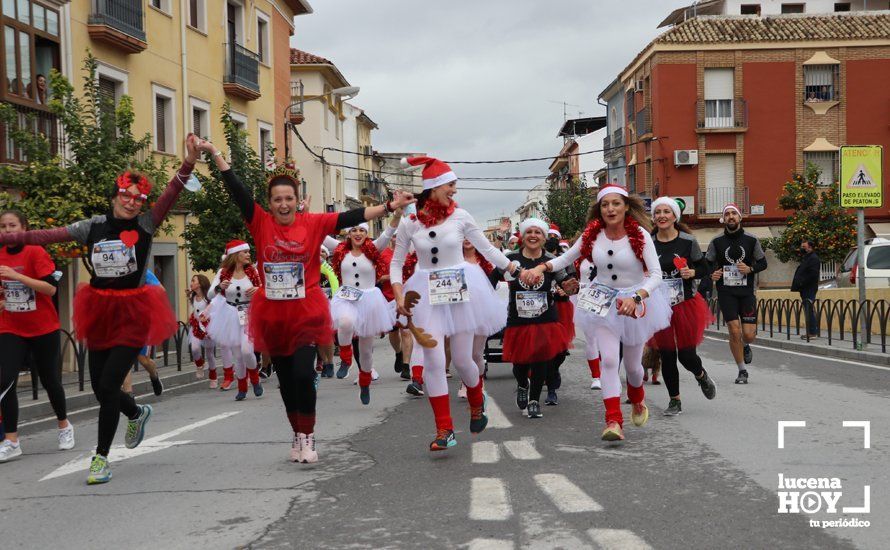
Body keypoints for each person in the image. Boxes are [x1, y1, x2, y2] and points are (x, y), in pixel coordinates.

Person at [198, 138, 414, 464]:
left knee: (302, 374)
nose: (283, 204)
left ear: (297, 200)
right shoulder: (260, 223)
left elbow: (350, 216)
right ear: (269, 204)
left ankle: (309, 435)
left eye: (289, 198)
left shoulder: (312, 223)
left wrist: (389, 207)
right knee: (286, 381)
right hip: (272, 313)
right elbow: (237, 191)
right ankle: (296, 433)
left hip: (305, 310)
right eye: (277, 199)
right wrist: (215, 155)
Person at [0, 135, 200, 483]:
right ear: (114, 197)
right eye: (126, 196)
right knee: (99, 388)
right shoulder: (92, 227)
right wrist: (9, 238)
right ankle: (136, 413)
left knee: (109, 385)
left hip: (133, 313)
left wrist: (188, 163)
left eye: (138, 199)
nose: (132, 202)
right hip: (98, 311)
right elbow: (48, 236)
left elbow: (171, 194)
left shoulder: (146, 224)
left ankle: (101, 459)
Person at [523, 184, 671, 442]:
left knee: (634, 368)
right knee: (610, 361)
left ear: (626, 207)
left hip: (634, 301)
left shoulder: (640, 235)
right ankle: (613, 420)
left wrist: (636, 297)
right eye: (605, 204)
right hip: (602, 302)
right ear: (599, 209)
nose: (610, 209)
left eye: (616, 203)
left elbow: (657, 275)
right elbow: (566, 258)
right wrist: (541, 268)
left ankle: (637, 398)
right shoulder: (592, 234)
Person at [391, 156, 518, 451]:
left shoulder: (461, 217)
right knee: (435, 361)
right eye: (450, 185)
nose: (454, 191)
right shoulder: (410, 224)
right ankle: (444, 429)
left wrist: (516, 269)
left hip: (460, 290)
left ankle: (477, 402)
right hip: (425, 293)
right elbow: (397, 263)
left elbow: (487, 249)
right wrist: (398, 294)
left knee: (463, 361)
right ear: (434, 187)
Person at [0, 210, 73, 462]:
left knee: (50, 379)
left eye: (12, 225)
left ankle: (64, 425)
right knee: (5, 379)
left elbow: (51, 288)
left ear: (24, 228)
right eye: (3, 226)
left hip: (43, 327)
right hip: (10, 325)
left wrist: (17, 275)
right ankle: (11, 440)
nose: (8, 230)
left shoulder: (36, 252)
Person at [494, 218, 573, 419]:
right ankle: (522, 384)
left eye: (538, 232)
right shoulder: (511, 258)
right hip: (518, 318)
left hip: (545, 319)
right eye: (529, 232)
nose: (533, 236)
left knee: (541, 361)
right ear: (522, 236)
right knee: (519, 363)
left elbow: (564, 281)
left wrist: (570, 287)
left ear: (544, 238)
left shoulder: (550, 261)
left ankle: (534, 400)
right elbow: (492, 277)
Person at [647, 197, 717, 416]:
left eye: (666, 211)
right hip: (659, 305)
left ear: (675, 216)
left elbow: (705, 267)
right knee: (667, 354)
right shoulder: (648, 242)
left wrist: (693, 272)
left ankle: (701, 375)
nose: (661, 216)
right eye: (657, 212)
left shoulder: (687, 241)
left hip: (685, 303)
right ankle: (674, 400)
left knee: (686, 355)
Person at [328, 222, 398, 404]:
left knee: (366, 351)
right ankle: (345, 358)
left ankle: (365, 383)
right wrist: (304, 214)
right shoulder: (339, 248)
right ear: (348, 233)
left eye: (362, 230)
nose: (358, 234)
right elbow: (319, 235)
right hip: (346, 298)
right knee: (345, 322)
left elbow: (389, 231)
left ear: (366, 233)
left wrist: (397, 213)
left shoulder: (373, 248)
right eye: (354, 230)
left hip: (369, 300)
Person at [706, 203, 767, 384]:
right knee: (733, 330)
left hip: (747, 292)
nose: (731, 217)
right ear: (723, 219)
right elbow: (707, 263)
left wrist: (750, 268)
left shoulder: (751, 240)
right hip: (726, 292)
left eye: (734, 214)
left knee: (748, 334)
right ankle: (742, 370)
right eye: (727, 214)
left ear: (740, 218)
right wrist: (713, 273)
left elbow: (763, 263)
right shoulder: (716, 242)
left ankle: (746, 345)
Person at [207, 241, 263, 401]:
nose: (248, 254)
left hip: (250, 314)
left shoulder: (253, 271)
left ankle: (255, 379)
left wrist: (259, 290)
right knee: (238, 355)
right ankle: (242, 387)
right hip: (230, 314)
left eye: (248, 252)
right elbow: (210, 294)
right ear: (235, 255)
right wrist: (219, 288)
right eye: (244, 252)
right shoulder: (223, 273)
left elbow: (266, 288)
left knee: (247, 350)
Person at [121, 269, 164, 397]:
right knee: (125, 359)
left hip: (142, 321)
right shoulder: (114, 272)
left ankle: (154, 376)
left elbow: (161, 290)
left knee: (143, 360)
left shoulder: (143, 272)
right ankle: (129, 395)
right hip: (123, 322)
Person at [573, 256, 603, 390]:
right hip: (586, 298)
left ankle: (609, 373)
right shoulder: (580, 256)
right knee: (591, 339)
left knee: (607, 339)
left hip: (607, 297)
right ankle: (596, 376)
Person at [187, 274, 217, 386]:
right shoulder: (193, 297)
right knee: (194, 348)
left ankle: (213, 377)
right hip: (196, 326)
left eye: (193, 281)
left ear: (200, 284)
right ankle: (199, 364)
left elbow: (213, 309)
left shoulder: (207, 298)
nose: (191, 283)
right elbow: (195, 309)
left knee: (210, 354)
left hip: (207, 327)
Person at [791, 239, 820, 340]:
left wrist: (802, 283)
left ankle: (813, 333)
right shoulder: (807, 258)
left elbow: (813, 275)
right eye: (802, 247)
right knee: (807, 309)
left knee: (809, 309)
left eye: (804, 247)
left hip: (809, 288)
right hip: (805, 289)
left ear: (810, 247)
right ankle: (811, 331)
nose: (802, 249)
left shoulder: (813, 259)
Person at [317, 245, 339, 378]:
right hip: (313, 304)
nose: (320, 254)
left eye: (323, 251)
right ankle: (324, 362)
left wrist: (335, 301)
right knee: (318, 336)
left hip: (329, 304)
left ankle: (330, 363)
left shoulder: (327, 266)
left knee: (327, 335)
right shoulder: (307, 263)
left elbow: (334, 282)